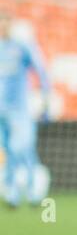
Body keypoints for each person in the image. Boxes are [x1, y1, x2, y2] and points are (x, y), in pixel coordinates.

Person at [0, 11, 52, 208]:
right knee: (8, 150)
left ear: (11, 25)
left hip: (19, 109)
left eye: (5, 22)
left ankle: (32, 190)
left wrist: (46, 97)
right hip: (1, 110)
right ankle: (12, 193)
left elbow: (41, 70)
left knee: (21, 147)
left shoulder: (22, 47)